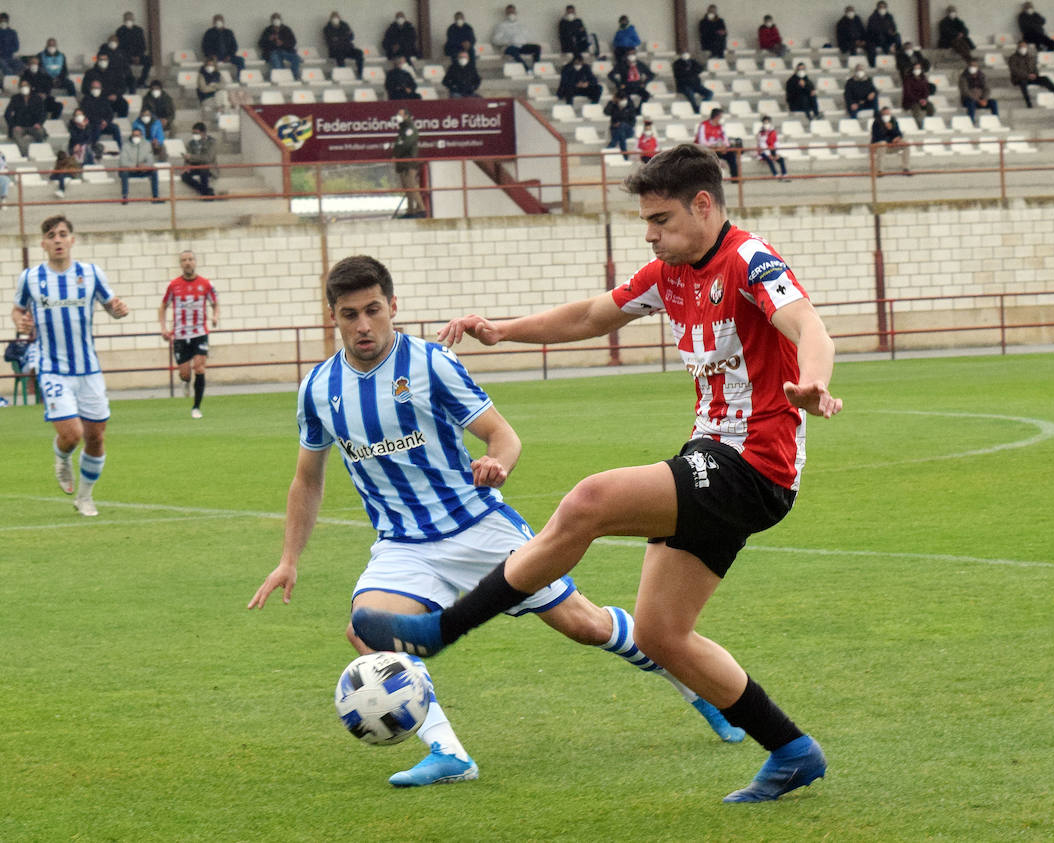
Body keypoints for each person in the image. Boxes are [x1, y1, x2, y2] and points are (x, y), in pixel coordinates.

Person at [350, 144, 842, 804]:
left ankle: (445, 627)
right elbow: (590, 315)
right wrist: (503, 331)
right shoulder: (669, 273)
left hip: (752, 464)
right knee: (662, 634)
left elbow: (809, 324)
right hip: (714, 462)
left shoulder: (749, 259)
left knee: (590, 499)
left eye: (661, 220)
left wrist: (812, 381)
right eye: (646, 223)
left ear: (703, 206)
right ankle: (791, 749)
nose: (651, 234)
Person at [250, 254, 748, 788]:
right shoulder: (318, 389)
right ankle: (449, 754)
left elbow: (503, 435)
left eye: (373, 310)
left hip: (478, 529)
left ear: (394, 307)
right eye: (350, 315)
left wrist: (497, 464)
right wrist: (288, 559)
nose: (363, 325)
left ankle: (692, 682)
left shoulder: (431, 364)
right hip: (403, 546)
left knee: (585, 625)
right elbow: (307, 479)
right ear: (333, 317)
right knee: (367, 628)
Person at [11, 214, 131, 517]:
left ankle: (85, 497)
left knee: (96, 436)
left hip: (88, 369)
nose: (58, 240)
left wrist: (118, 310)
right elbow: (17, 309)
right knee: (72, 434)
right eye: (51, 235)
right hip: (52, 368)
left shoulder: (91, 273)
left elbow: (111, 305)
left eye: (63, 234)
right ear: (43, 244)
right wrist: (20, 321)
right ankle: (61, 457)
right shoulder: (31, 278)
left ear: (72, 240)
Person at [159, 251, 219, 419]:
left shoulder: (206, 284)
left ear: (195, 262)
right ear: (180, 264)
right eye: (184, 260)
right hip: (180, 334)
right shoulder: (173, 285)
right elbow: (163, 307)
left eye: (190, 259)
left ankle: (196, 407)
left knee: (200, 368)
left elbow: (215, 303)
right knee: (185, 373)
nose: (188, 263)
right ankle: (185, 382)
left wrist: (215, 316)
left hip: (199, 333)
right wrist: (164, 328)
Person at [1008, 41, 1054, 108]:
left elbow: (1034, 68)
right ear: (1018, 48)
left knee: (1045, 78)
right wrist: (1027, 75)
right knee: (1023, 82)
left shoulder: (1030, 57)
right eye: (1021, 47)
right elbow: (1015, 70)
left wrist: (1035, 75)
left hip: (1031, 77)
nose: (1023, 48)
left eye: (1024, 46)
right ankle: (1028, 103)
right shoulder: (1013, 58)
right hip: (1019, 78)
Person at [393, 108, 423, 218]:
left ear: (406, 116)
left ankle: (421, 209)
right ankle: (410, 210)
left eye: (400, 114)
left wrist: (396, 151)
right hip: (402, 163)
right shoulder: (402, 129)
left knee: (411, 186)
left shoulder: (410, 129)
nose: (398, 116)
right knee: (407, 188)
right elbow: (399, 144)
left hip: (409, 163)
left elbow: (406, 144)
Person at [4, 81, 48, 157]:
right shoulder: (15, 98)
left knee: (41, 132)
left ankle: (39, 153)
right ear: (20, 88)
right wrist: (14, 125)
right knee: (16, 134)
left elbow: (43, 113)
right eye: (22, 86)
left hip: (33, 125)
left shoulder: (37, 98)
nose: (24, 88)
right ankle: (25, 155)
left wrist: (39, 123)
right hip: (19, 126)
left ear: (30, 87)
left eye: (26, 85)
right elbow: (7, 114)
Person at [492, 5, 541, 72]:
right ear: (506, 14)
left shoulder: (521, 25)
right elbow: (495, 40)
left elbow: (528, 37)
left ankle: (536, 68)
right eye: (509, 12)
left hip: (521, 46)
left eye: (512, 12)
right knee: (513, 50)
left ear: (516, 12)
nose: (511, 14)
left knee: (537, 48)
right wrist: (508, 41)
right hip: (509, 47)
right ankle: (526, 69)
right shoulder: (501, 26)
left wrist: (521, 40)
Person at [117, 126, 159, 203]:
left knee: (154, 171)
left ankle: (155, 197)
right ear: (131, 136)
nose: (135, 137)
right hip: (130, 170)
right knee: (124, 173)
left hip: (143, 170)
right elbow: (123, 161)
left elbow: (150, 160)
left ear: (141, 136)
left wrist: (145, 166)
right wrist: (135, 166)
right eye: (134, 135)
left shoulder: (147, 145)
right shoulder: (125, 146)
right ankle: (124, 197)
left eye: (137, 135)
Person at [695, 107, 738, 178]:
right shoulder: (704, 125)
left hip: (719, 149)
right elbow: (702, 142)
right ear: (717, 117)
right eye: (721, 117)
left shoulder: (720, 127)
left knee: (731, 155)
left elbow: (725, 140)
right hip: (707, 150)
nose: (721, 119)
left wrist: (725, 146)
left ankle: (735, 178)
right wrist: (715, 146)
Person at [258, 14, 301, 82]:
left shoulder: (286, 29)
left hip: (286, 51)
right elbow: (260, 44)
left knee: (296, 59)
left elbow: (293, 42)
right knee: (276, 61)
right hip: (273, 51)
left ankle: (294, 77)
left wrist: (283, 43)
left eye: (277, 18)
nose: (276, 20)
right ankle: (282, 79)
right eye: (274, 19)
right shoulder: (267, 30)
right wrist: (269, 39)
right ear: (271, 21)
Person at [181, 122, 219, 197]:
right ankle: (206, 191)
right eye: (193, 133)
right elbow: (188, 157)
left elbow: (208, 158)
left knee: (203, 168)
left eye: (196, 133)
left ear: (203, 133)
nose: (194, 135)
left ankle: (205, 193)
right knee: (184, 176)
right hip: (195, 167)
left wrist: (191, 157)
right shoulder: (191, 143)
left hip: (208, 168)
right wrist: (186, 165)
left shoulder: (211, 142)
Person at [79, 82, 122, 149]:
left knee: (115, 128)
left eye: (98, 88)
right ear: (90, 89)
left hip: (104, 124)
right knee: (96, 128)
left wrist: (106, 121)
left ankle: (119, 148)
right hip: (92, 124)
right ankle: (93, 147)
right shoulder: (86, 100)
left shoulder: (104, 99)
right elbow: (86, 114)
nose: (96, 90)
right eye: (94, 88)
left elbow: (110, 113)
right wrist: (100, 122)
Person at [116, 11, 151, 90]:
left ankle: (141, 82)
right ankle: (130, 82)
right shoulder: (120, 31)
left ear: (133, 19)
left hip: (138, 56)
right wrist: (130, 57)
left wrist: (138, 56)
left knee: (148, 60)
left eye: (130, 18)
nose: (128, 20)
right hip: (126, 57)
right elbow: (119, 48)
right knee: (121, 61)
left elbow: (143, 46)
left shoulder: (139, 30)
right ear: (124, 20)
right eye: (127, 19)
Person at [324, 12, 365, 80]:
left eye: (337, 17)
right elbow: (330, 41)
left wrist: (338, 38)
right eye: (333, 17)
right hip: (336, 50)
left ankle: (360, 74)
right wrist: (344, 37)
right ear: (330, 19)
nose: (335, 19)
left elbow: (351, 37)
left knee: (359, 53)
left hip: (348, 49)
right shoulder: (327, 28)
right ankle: (344, 74)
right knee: (340, 55)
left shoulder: (345, 25)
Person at [870, 106, 910, 174]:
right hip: (880, 146)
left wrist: (897, 137)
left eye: (888, 114)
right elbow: (877, 137)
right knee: (882, 143)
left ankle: (906, 168)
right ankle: (880, 170)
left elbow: (899, 133)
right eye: (885, 114)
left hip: (892, 145)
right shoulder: (876, 122)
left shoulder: (893, 121)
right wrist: (888, 134)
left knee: (906, 144)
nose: (887, 115)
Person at [3, 329, 39, 402]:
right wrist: (19, 358)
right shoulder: (14, 343)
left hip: (35, 365)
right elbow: (7, 356)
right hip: (22, 368)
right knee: (36, 367)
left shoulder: (32, 342)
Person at [604, 89, 639, 157]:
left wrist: (622, 124)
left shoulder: (630, 106)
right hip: (615, 130)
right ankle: (625, 154)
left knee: (622, 126)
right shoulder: (613, 105)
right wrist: (612, 102)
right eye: (621, 99)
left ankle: (612, 145)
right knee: (621, 134)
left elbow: (633, 122)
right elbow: (606, 112)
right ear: (617, 99)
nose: (623, 100)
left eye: (624, 98)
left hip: (628, 131)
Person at [902, 65, 936, 129]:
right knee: (917, 109)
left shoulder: (923, 78)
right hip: (910, 101)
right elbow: (908, 93)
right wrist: (919, 100)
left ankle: (930, 125)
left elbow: (926, 91)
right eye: (916, 68)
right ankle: (920, 126)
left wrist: (924, 99)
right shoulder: (908, 79)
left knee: (930, 107)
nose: (917, 70)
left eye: (919, 68)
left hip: (922, 100)